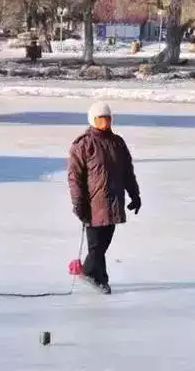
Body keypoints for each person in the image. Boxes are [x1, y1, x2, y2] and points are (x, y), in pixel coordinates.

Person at [68, 102, 141, 294]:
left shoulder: (118, 143)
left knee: (102, 244)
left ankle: (87, 271)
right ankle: (99, 278)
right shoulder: (83, 144)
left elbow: (127, 172)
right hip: (93, 204)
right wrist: (78, 203)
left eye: (107, 120)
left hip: (114, 202)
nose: (105, 124)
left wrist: (135, 194)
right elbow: (75, 178)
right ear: (92, 121)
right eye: (100, 121)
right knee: (96, 246)